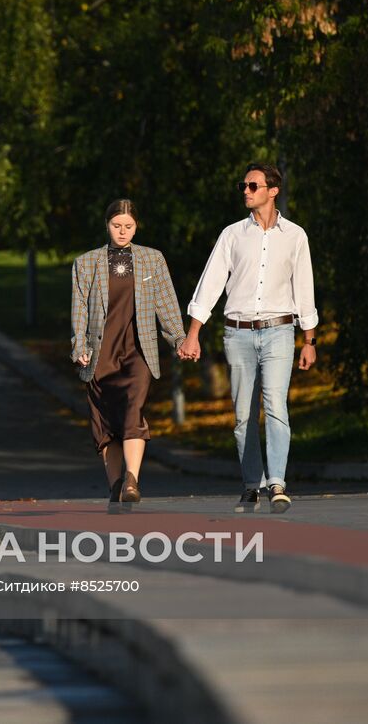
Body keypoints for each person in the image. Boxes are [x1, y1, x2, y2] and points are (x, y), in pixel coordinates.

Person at [178, 163, 318, 514]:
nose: (245, 190)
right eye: (243, 185)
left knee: (276, 406)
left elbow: (304, 288)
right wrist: (193, 334)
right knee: (243, 416)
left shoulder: (295, 236)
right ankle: (251, 485)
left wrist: (310, 340)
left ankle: (278, 484)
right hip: (237, 334)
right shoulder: (232, 235)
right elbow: (209, 283)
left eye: (253, 185)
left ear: (273, 191)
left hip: (280, 331)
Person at [70, 199, 186, 510]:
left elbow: (167, 303)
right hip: (100, 354)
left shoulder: (152, 259)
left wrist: (179, 339)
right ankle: (116, 485)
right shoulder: (85, 263)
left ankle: (132, 478)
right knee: (105, 422)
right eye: (116, 226)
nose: (123, 232)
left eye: (129, 226)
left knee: (134, 410)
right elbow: (79, 309)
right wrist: (79, 346)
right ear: (106, 225)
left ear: (137, 227)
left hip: (138, 351)